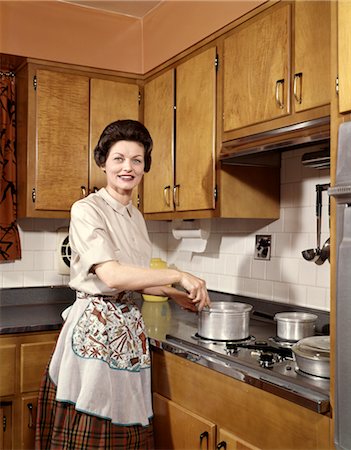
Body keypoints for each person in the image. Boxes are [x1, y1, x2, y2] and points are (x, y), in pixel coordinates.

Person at [35, 119, 211, 450]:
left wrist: (174, 294)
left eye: (136, 160)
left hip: (129, 332)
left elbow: (136, 276)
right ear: (103, 162)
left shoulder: (137, 216)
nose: (127, 168)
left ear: (145, 167)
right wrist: (176, 274)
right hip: (96, 332)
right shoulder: (87, 210)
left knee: (126, 429)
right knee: (95, 426)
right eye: (118, 158)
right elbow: (113, 276)